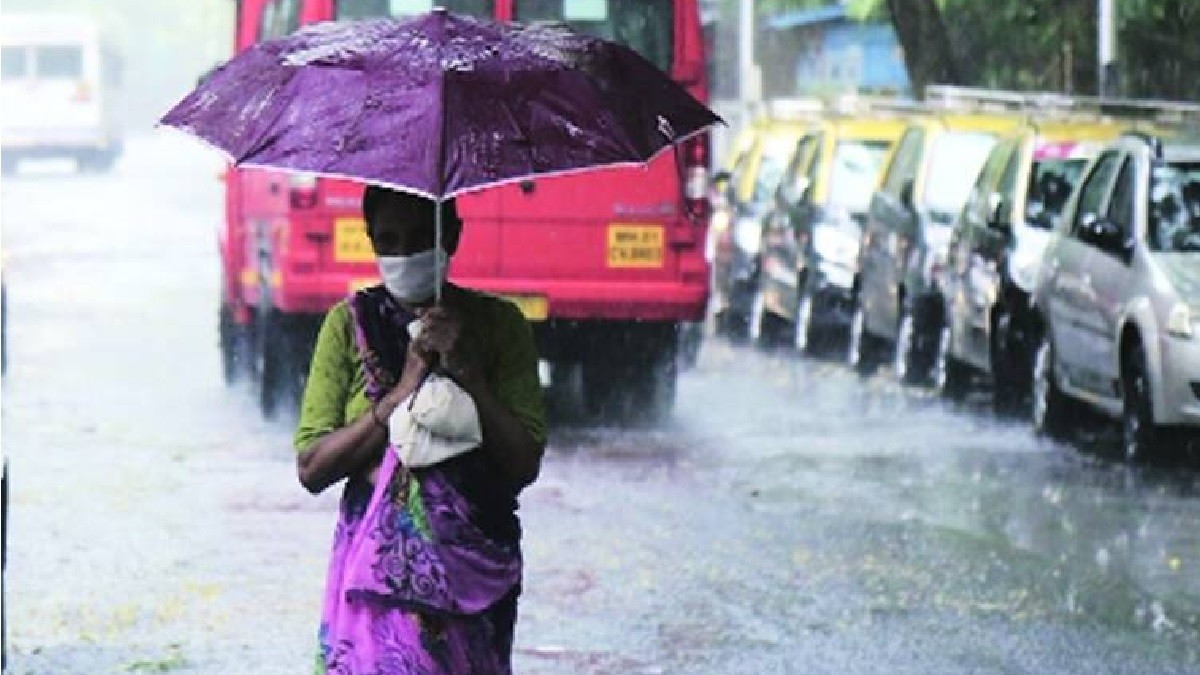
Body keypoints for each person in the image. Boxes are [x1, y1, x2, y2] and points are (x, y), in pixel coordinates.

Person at [294, 186, 546, 674]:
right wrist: (401, 391)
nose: (404, 254)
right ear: (370, 240)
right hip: (376, 581)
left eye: (418, 239)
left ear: (452, 237)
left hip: (475, 579)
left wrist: (468, 374)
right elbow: (311, 467)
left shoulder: (499, 326)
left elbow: (523, 463)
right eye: (388, 241)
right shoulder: (349, 326)